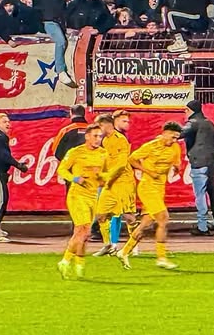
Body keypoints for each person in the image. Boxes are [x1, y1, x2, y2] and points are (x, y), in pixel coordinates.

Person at [116, 121, 184, 271]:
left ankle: (124, 251)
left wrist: (177, 168)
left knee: (145, 224)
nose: (174, 141)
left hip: (159, 190)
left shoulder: (175, 148)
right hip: (147, 188)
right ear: (165, 133)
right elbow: (132, 159)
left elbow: (177, 162)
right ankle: (161, 257)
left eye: (176, 138)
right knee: (163, 218)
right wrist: (147, 171)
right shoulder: (151, 146)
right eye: (172, 137)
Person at [56, 124, 107, 279]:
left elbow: (105, 176)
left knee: (85, 233)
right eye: (95, 136)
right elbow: (62, 169)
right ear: (87, 136)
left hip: (93, 196)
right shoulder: (75, 152)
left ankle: (78, 264)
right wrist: (75, 178)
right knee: (82, 229)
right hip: (77, 195)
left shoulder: (103, 154)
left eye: (100, 136)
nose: (98, 139)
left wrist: (101, 177)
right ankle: (65, 261)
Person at [93, 110, 137, 257]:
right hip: (110, 182)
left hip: (123, 182)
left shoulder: (121, 139)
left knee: (128, 215)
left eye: (99, 126)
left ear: (106, 125)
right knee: (101, 215)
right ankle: (108, 245)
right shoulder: (105, 141)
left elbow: (121, 164)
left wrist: (108, 178)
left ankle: (133, 246)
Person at [0, 112, 29, 243]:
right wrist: (19, 165)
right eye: (5, 122)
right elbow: (4, 156)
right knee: (1, 201)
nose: (8, 124)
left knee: (1, 201)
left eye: (8, 122)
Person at [181, 100, 214, 235]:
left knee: (200, 193)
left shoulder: (193, 123)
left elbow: (179, 133)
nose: (185, 113)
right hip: (212, 160)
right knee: (212, 191)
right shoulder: (209, 123)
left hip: (199, 161)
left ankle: (203, 226)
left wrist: (166, 133)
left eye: (186, 110)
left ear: (192, 111)